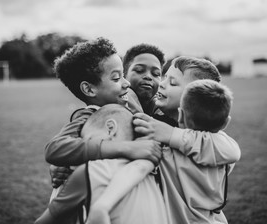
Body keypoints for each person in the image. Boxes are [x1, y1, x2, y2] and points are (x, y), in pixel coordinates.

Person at [81, 57, 241, 224]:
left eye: (172, 82)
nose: (162, 84)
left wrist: (170, 134)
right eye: (164, 77)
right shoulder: (162, 132)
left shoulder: (213, 144)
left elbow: (232, 150)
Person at [43, 37, 162, 205]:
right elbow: (55, 149)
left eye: (157, 73)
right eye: (116, 78)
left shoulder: (132, 102)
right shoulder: (89, 116)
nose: (126, 83)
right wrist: (127, 148)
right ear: (89, 89)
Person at [35, 104, 168, 224]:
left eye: (89, 140)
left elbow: (45, 221)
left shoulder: (91, 172)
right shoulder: (155, 170)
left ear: (110, 129)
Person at [123, 43, 165, 115]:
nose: (148, 76)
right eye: (139, 70)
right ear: (124, 74)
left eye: (156, 73)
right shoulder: (112, 107)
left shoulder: (164, 113)